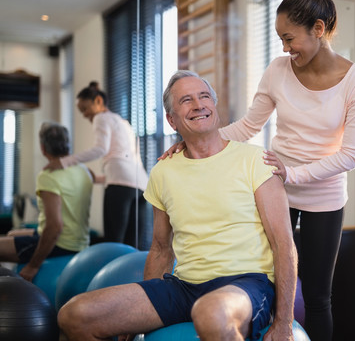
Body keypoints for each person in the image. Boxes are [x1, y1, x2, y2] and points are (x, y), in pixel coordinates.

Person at [160, 0, 355, 339]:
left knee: (318, 296)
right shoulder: (278, 69)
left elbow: (351, 155)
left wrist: (294, 173)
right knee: (271, 282)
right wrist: (195, 139)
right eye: (281, 40)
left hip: (323, 195)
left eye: (290, 39)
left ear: (318, 30)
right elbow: (248, 125)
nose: (286, 48)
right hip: (274, 188)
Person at [58, 70, 298, 341]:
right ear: (172, 120)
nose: (198, 105)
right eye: (186, 100)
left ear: (214, 106)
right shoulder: (163, 171)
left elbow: (283, 243)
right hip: (184, 288)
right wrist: (140, 314)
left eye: (204, 96)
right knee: (74, 314)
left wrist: (284, 323)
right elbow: (161, 248)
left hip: (245, 285)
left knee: (209, 313)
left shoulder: (256, 160)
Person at [44, 81, 150, 249]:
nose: (85, 115)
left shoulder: (101, 118)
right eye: (81, 111)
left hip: (120, 186)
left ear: (98, 101)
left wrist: (64, 161)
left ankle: (115, 276)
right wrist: (100, 178)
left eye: (85, 109)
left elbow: (101, 149)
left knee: (114, 243)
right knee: (133, 245)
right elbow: (128, 159)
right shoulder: (123, 122)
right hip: (140, 186)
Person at [0, 122, 93, 282]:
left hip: (62, 244)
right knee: (12, 233)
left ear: (43, 148)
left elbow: (55, 227)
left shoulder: (48, 175)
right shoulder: (83, 169)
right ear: (67, 145)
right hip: (81, 241)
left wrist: (34, 266)